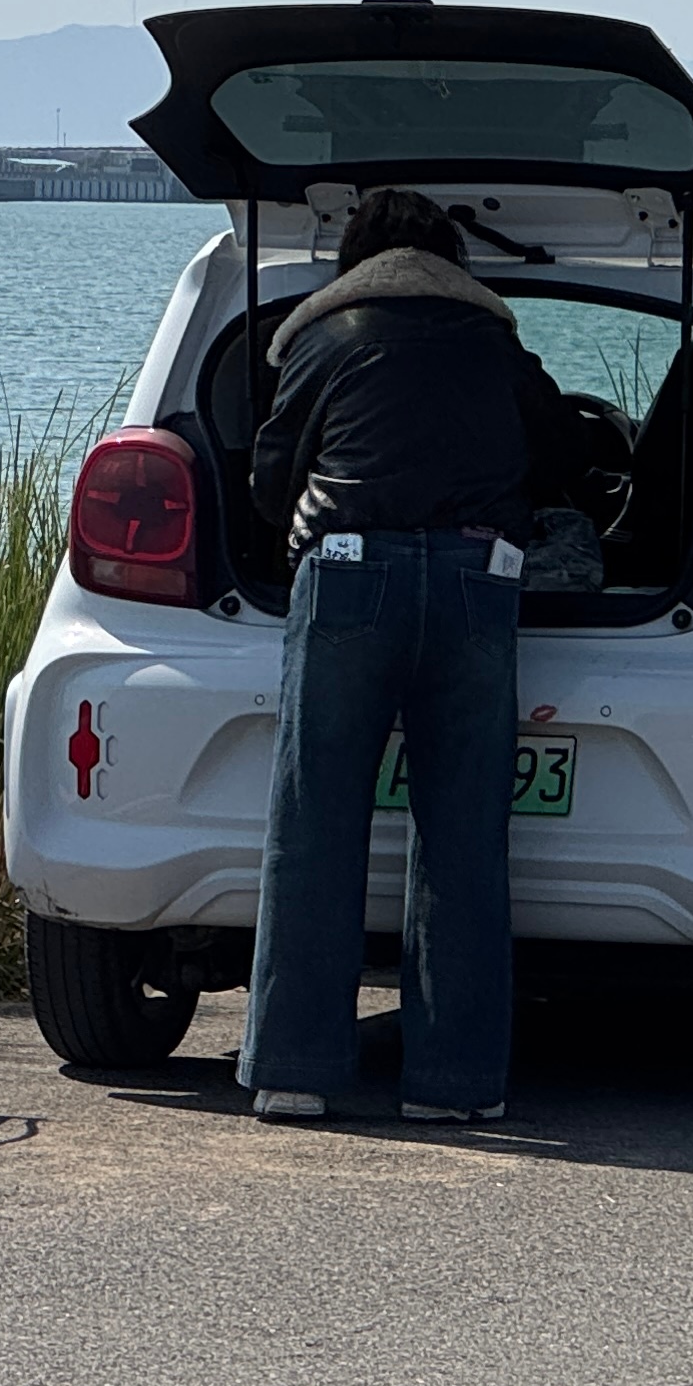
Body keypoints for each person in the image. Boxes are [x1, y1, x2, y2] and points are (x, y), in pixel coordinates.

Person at [240, 186, 569, 1124]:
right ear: (450, 260)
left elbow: (270, 484)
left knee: (315, 826)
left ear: (354, 259)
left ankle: (296, 1071)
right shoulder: (495, 344)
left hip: (348, 576)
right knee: (463, 835)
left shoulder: (322, 339)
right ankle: (453, 1087)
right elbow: (559, 458)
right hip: (478, 579)